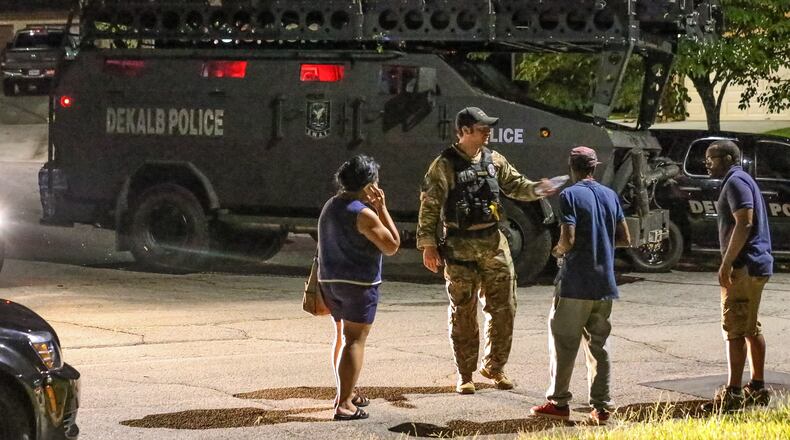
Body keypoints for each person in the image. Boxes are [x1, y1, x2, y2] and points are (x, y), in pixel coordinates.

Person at [417, 106, 558, 394]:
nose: (488, 132)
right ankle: (465, 374)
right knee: (463, 313)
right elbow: (429, 206)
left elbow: (516, 185)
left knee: (504, 308)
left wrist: (537, 189)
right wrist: (428, 245)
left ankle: (495, 367)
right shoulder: (444, 165)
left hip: (494, 244)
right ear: (464, 131)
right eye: (482, 128)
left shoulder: (494, 159)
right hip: (459, 247)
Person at [530, 146, 630, 425]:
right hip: (604, 283)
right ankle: (601, 407)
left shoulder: (569, 195)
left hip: (576, 282)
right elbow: (625, 238)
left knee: (564, 343)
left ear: (571, 167)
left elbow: (568, 238)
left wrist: (557, 251)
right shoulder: (610, 195)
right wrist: (601, 243)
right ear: (594, 167)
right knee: (599, 346)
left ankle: (559, 402)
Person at [318, 155, 400, 420]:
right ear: (368, 185)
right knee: (354, 341)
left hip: (329, 282)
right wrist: (382, 208)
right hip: (358, 285)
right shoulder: (363, 213)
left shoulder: (331, 205)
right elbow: (392, 245)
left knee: (342, 338)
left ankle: (346, 392)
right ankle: (344, 404)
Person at [701, 140, 773, 412]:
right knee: (750, 327)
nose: (707, 164)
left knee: (734, 329)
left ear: (728, 158)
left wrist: (727, 263)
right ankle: (757, 387)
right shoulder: (743, 179)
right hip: (757, 264)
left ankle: (732, 395)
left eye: (711, 158)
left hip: (744, 266)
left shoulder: (735, 182)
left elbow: (744, 221)